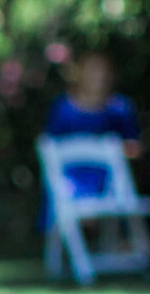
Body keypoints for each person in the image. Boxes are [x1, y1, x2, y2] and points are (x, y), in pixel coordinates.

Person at [41, 50, 144, 204]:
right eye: (93, 69)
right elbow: (48, 149)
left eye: (104, 70)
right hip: (69, 183)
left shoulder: (120, 108)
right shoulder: (62, 109)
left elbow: (135, 149)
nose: (100, 76)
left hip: (111, 183)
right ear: (80, 72)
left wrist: (112, 151)